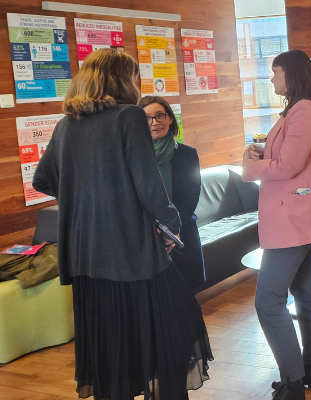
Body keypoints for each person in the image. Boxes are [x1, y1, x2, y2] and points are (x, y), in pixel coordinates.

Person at [32, 48, 213, 400]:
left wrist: (85, 204)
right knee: (176, 331)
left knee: (113, 346)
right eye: (133, 76)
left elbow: (43, 180)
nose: (136, 83)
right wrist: (172, 226)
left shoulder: (66, 125)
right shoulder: (128, 116)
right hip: (133, 254)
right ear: (120, 79)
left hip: (86, 257)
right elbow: (149, 186)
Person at [242, 49, 311, 400]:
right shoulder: (301, 109)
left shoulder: (305, 110)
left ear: (292, 74)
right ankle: (310, 370)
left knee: (267, 301)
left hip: (291, 218)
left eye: (275, 71)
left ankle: (292, 382)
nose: (271, 78)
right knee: (305, 293)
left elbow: (287, 166)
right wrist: (262, 150)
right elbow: (285, 157)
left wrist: (249, 166)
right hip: (296, 215)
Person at [138, 96, 205, 292]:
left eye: (160, 116)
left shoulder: (187, 154)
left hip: (181, 232)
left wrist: (170, 230)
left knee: (186, 292)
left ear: (170, 119)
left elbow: (190, 196)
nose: (155, 122)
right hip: (147, 235)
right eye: (147, 118)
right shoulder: (134, 158)